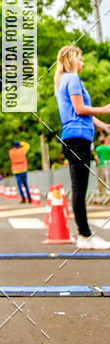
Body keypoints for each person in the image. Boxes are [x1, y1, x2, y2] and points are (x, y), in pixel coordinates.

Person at [54, 45, 110, 249]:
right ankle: (85, 236)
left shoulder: (64, 80)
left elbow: (79, 111)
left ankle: (84, 235)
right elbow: (79, 109)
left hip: (75, 138)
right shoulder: (73, 79)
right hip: (78, 139)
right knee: (80, 188)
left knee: (80, 188)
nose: (83, 62)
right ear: (71, 60)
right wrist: (104, 109)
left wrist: (103, 125)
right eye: (80, 58)